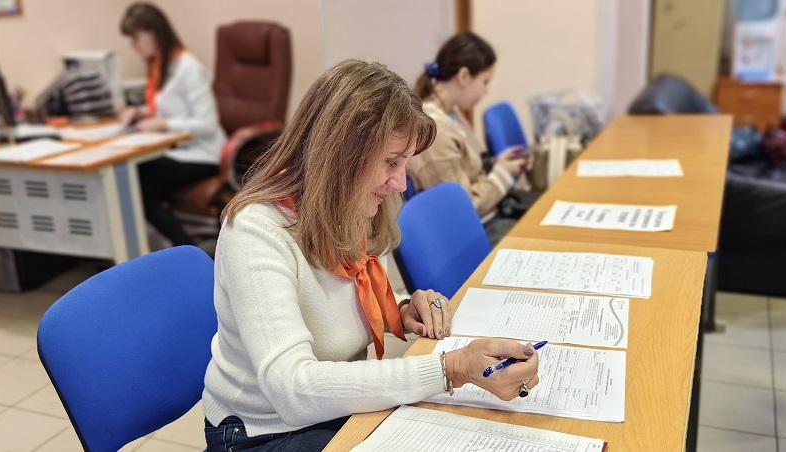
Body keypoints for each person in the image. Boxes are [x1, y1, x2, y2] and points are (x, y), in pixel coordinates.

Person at [202, 59, 540, 451]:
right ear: (339, 155)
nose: (401, 182)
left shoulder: (345, 205)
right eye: (391, 162)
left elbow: (333, 305)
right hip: (261, 430)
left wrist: (400, 310)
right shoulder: (256, 230)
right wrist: (452, 368)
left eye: (405, 163)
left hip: (330, 409)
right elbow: (292, 389)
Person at [408, 32, 532, 244]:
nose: (486, 91)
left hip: (488, 218)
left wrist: (497, 164)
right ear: (464, 76)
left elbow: (466, 169)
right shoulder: (434, 131)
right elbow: (462, 209)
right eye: (485, 81)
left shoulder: (450, 113)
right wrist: (503, 174)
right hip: (475, 232)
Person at [120, 3, 226, 246]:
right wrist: (140, 112)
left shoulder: (188, 68)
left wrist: (163, 124)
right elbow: (171, 108)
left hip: (204, 154)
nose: (133, 46)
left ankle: (185, 248)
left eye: (136, 38)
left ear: (154, 32)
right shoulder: (160, 66)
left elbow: (207, 124)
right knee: (135, 177)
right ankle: (175, 246)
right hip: (179, 151)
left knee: (139, 184)